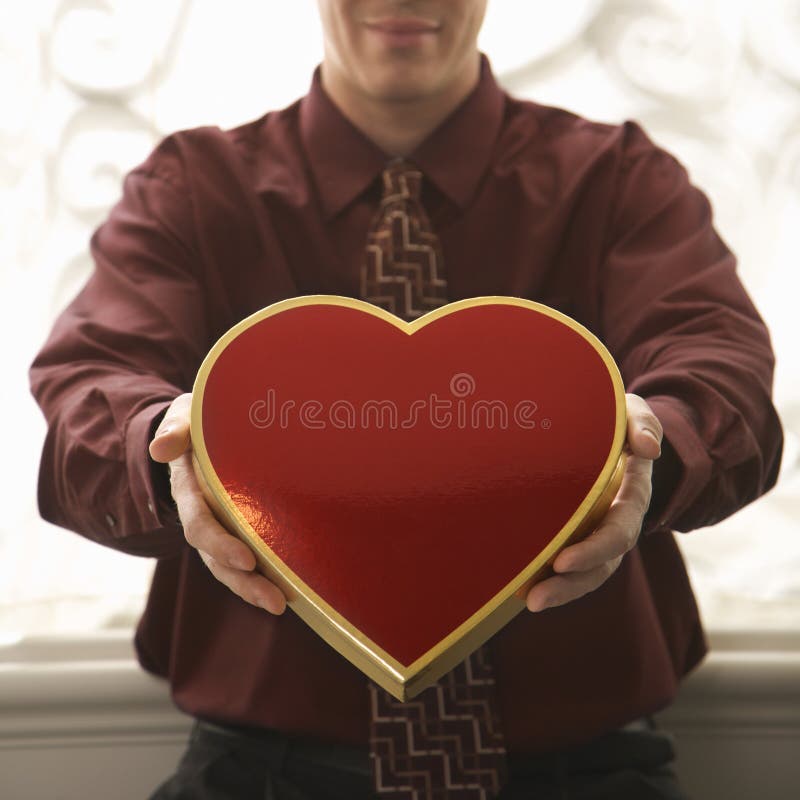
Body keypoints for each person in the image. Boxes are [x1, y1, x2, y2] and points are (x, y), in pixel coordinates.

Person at [30, 1, 783, 798]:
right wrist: (167, 455)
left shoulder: (621, 179)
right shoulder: (189, 188)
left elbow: (719, 364)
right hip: (259, 772)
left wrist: (651, 456)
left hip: (589, 771)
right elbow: (91, 380)